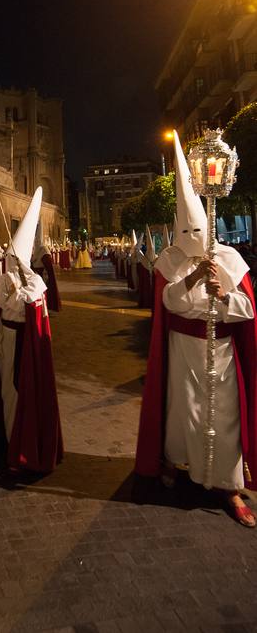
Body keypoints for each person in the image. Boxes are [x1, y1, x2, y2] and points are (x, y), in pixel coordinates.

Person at [135, 131, 257, 527]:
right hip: (182, 347)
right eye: (184, 232)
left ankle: (229, 485)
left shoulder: (229, 257)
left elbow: (247, 312)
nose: (191, 239)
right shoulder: (169, 259)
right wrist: (189, 281)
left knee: (225, 416)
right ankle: (174, 461)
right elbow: (169, 303)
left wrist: (221, 294)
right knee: (182, 411)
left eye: (197, 231)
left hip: (220, 351)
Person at [0, 187, 63, 474]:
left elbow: (33, 304)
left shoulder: (36, 283)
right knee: (5, 391)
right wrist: (10, 288)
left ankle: (22, 443)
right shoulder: (3, 279)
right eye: (10, 258)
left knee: (20, 392)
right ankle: (7, 438)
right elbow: (1, 304)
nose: (11, 262)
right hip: (6, 337)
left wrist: (24, 283)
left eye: (16, 259)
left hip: (24, 346)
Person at [31, 220, 61, 312]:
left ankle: (45, 308)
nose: (36, 243)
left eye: (37, 241)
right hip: (35, 276)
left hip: (43, 277)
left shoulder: (44, 250)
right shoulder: (35, 250)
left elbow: (48, 266)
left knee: (43, 294)